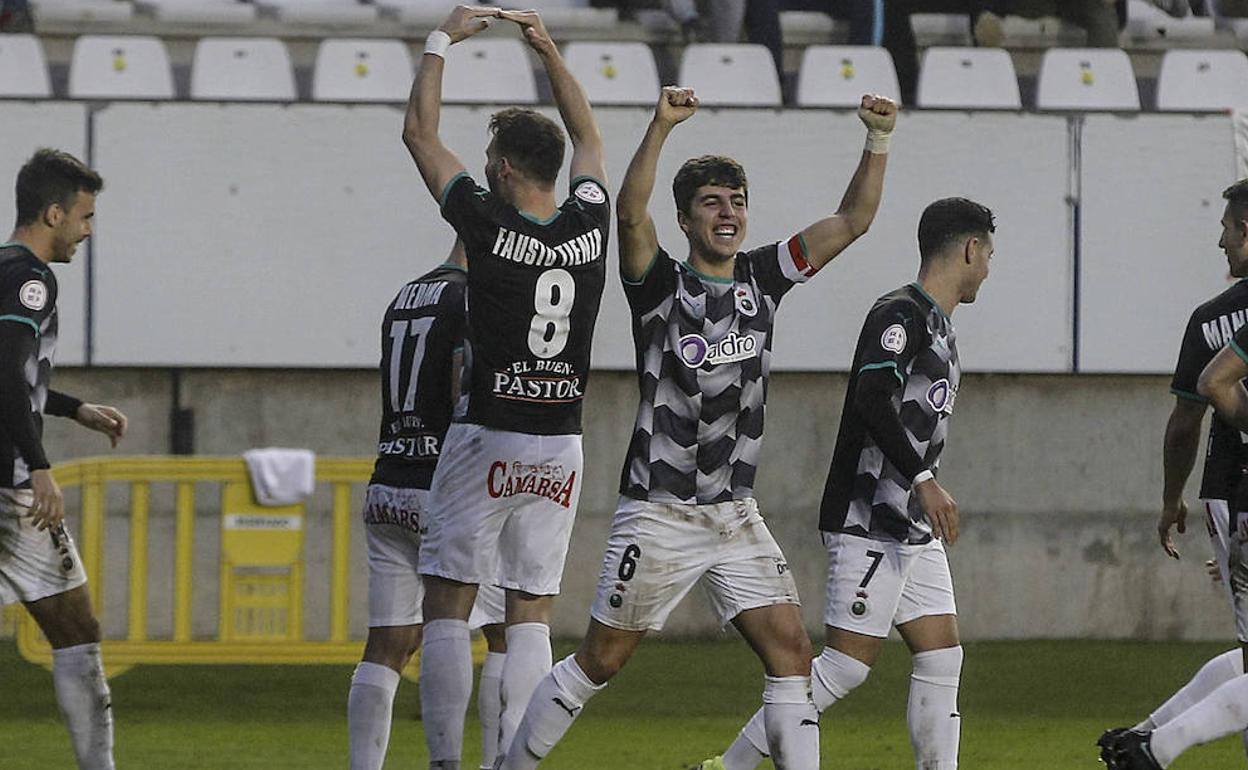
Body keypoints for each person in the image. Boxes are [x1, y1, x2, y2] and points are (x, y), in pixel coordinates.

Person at [498, 86, 896, 770]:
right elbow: (627, 212)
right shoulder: (658, 285)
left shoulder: (763, 279)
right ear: (685, 218)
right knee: (601, 659)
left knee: (792, 652)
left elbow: (853, 219)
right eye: (713, 202)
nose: (729, 213)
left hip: (734, 515)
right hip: (661, 511)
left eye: (737, 201)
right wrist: (659, 127)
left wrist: (878, 140)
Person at [713, 196, 995, 770]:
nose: (989, 265)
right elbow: (871, 398)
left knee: (943, 657)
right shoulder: (899, 315)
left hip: (911, 526)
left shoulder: (940, 325)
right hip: (868, 518)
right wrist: (923, 479)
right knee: (846, 665)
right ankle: (731, 766)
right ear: (969, 249)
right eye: (988, 252)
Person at [401, 7, 610, 769]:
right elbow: (589, 137)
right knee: (530, 611)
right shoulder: (591, 223)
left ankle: (446, 763)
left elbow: (420, 136)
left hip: (487, 431)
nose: (486, 166)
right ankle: (514, 762)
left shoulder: (486, 224)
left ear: (505, 170)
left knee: (450, 602)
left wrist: (441, 42)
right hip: (561, 441)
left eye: (493, 157)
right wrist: (548, 47)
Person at [1102, 181, 1248, 770]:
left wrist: (1173, 499)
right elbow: (1216, 386)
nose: (1220, 239)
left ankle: (1145, 735)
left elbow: (1187, 419)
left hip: (1225, 496)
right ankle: (1155, 748)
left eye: (1227, 228)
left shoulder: (1212, 319)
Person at [346, 239, 508, 770]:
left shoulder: (406, 295)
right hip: (443, 485)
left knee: (388, 643)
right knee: (500, 632)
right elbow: (466, 388)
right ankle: (482, 762)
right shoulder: (473, 297)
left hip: (389, 482)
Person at [0, 148, 128, 770]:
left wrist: (73, 406)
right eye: (84, 215)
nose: (88, 230)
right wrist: (40, 466)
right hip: (10, 488)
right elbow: (3, 373)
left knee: (75, 627)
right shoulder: (30, 276)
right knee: (77, 630)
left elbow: (14, 376)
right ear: (54, 213)